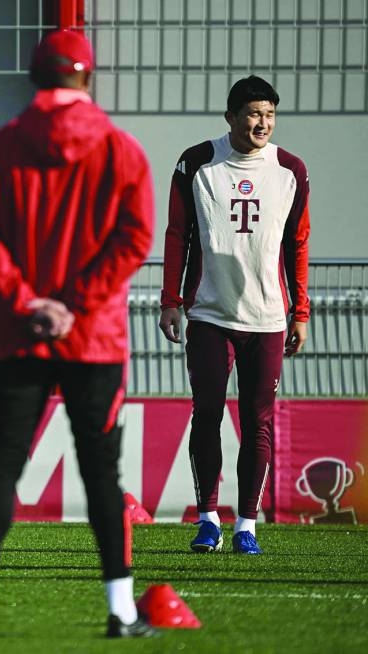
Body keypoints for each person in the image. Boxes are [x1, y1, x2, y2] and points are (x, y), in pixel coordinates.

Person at [0, 30, 155, 638]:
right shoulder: (120, 150)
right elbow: (135, 237)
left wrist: (27, 299)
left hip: (17, 333)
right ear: (86, 78)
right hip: (94, 338)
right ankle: (119, 610)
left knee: (2, 468)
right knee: (102, 476)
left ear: (34, 79)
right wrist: (74, 304)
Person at [159, 75, 310, 556]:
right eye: (252, 113)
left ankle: (246, 524)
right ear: (231, 117)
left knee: (257, 422)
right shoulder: (197, 162)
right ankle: (207, 520)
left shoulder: (290, 170)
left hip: (267, 318)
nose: (261, 122)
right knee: (206, 414)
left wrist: (300, 310)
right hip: (208, 313)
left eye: (268, 114)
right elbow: (177, 234)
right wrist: (170, 301)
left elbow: (298, 244)